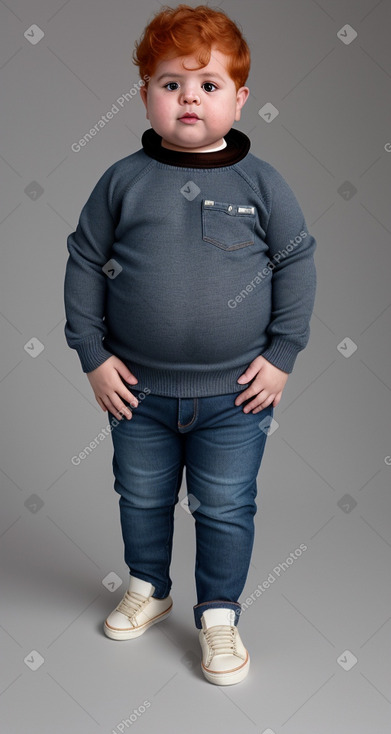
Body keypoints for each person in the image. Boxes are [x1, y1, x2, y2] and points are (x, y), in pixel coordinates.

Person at [63, 3, 317, 686]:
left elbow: (295, 260)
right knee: (140, 495)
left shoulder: (260, 183)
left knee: (227, 503)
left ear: (239, 98)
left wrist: (283, 352)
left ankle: (218, 616)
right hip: (136, 391)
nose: (187, 99)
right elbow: (85, 260)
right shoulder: (121, 181)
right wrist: (90, 353)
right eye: (169, 83)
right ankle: (149, 583)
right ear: (144, 93)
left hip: (236, 395)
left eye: (207, 84)